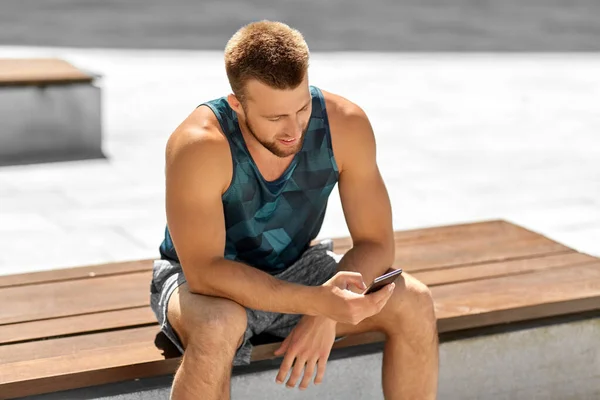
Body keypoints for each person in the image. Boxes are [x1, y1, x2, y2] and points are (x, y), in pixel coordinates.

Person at [149, 20, 438, 400]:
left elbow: (376, 242)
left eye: (301, 109)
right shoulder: (200, 146)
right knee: (218, 326)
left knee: (414, 300)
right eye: (274, 118)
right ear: (237, 103)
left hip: (298, 264)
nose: (294, 129)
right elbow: (205, 273)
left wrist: (325, 313)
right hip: (206, 283)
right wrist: (318, 301)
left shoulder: (344, 124)